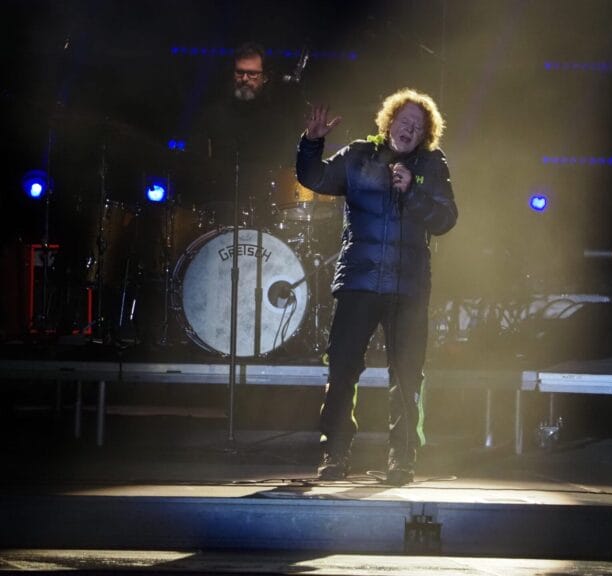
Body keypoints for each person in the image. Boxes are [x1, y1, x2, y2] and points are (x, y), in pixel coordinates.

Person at [296, 88, 458, 485]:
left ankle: (402, 459)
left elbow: (446, 219)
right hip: (359, 281)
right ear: (389, 122)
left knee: (407, 375)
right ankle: (335, 454)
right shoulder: (357, 156)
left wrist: (412, 191)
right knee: (342, 368)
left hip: (408, 287)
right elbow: (314, 177)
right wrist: (311, 143)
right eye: (404, 121)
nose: (409, 129)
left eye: (418, 125)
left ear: (426, 133)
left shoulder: (432, 165)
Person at [184, 41, 302, 228]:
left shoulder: (279, 121)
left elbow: (287, 168)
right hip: (220, 211)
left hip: (266, 214)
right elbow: (195, 164)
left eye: (252, 74)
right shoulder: (212, 116)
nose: (245, 79)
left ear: (265, 77)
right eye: (240, 73)